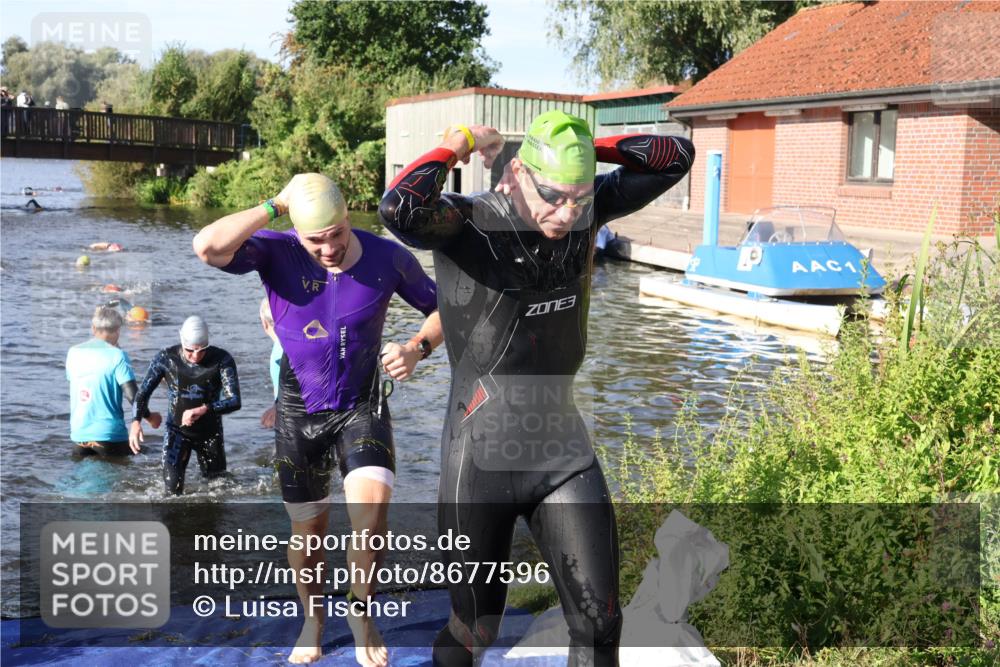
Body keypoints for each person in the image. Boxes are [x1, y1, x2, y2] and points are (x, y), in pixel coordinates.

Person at [378, 110, 694, 667]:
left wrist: (582, 149)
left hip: (561, 450)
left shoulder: (585, 207)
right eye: (554, 195)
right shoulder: (469, 222)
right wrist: (459, 142)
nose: (568, 213)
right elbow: (399, 207)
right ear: (518, 173)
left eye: (578, 197)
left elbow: (676, 157)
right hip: (480, 456)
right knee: (476, 629)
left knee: (600, 623)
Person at [193, 173, 443, 667]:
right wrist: (277, 204)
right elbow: (208, 247)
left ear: (349, 217)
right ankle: (313, 617)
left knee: (370, 522)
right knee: (308, 535)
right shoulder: (275, 250)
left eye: (337, 234)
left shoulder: (387, 257)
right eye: (316, 239)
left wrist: (418, 348)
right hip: (298, 411)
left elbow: (447, 309)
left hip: (361, 404)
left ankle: (360, 611)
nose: (328, 248)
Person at [129, 316, 242, 495]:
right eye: (190, 350)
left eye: (202, 350)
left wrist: (204, 408)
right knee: (171, 493)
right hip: (177, 432)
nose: (196, 356)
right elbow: (142, 393)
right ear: (182, 342)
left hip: (210, 434)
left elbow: (234, 401)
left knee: (219, 492)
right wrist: (136, 422)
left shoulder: (222, 360)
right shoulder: (167, 359)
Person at [66, 306, 161, 456]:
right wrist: (150, 417)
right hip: (109, 436)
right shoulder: (118, 356)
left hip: (79, 436)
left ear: (93, 328)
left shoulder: (73, 352)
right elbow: (132, 395)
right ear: (117, 331)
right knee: (150, 457)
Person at [259, 296, 283, 429]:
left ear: (264, 323)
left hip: (288, 411)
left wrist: (276, 407)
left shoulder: (280, 352)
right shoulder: (282, 345)